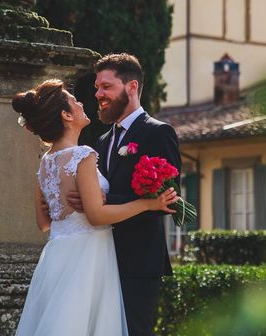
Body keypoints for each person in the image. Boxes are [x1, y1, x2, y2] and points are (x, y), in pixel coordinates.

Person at [12, 79, 178, 336]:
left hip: (56, 257)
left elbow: (44, 223)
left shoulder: (45, 162)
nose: (81, 103)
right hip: (87, 257)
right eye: (73, 101)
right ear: (66, 115)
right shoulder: (83, 155)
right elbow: (97, 215)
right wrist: (149, 203)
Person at [67, 53, 182, 336]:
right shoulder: (103, 141)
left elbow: (168, 199)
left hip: (138, 261)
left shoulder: (158, 133)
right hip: (100, 256)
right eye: (97, 87)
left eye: (106, 87)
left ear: (131, 87)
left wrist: (99, 203)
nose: (98, 94)